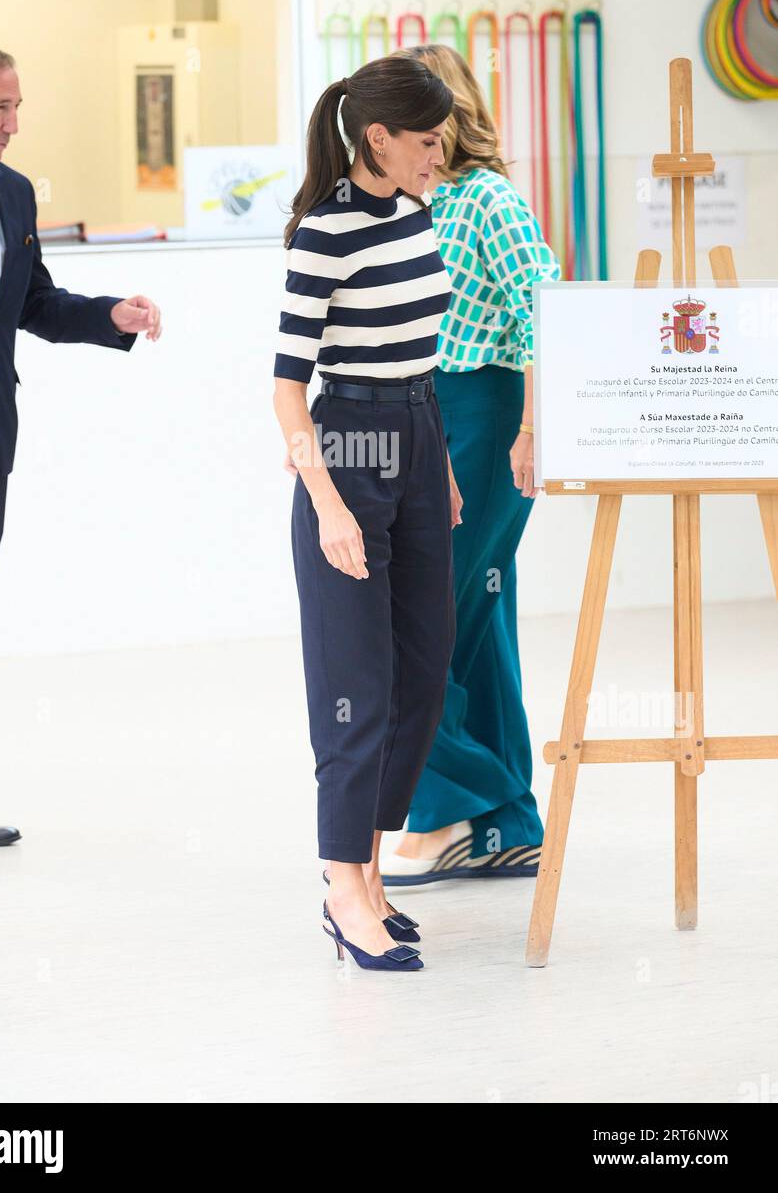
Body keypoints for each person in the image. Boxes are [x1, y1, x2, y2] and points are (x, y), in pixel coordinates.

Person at [0, 39, 162, 878]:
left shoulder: (12, 195)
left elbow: (36, 304)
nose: (14, 126)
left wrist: (109, 317)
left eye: (17, 109)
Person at [273, 55, 459, 971]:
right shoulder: (323, 237)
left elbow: (418, 356)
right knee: (358, 686)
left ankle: (372, 872)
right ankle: (344, 887)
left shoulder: (419, 216)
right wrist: (327, 506)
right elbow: (285, 394)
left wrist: (443, 467)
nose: (440, 154)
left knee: (424, 671)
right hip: (346, 449)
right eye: (428, 141)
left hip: (422, 438)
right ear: (378, 139)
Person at [380, 43, 560, 888]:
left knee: (421, 624)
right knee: (476, 630)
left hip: (488, 419)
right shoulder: (414, 201)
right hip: (430, 417)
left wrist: (532, 426)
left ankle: (468, 802)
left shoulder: (488, 200)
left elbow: (545, 311)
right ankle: (507, 825)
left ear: (446, 113)